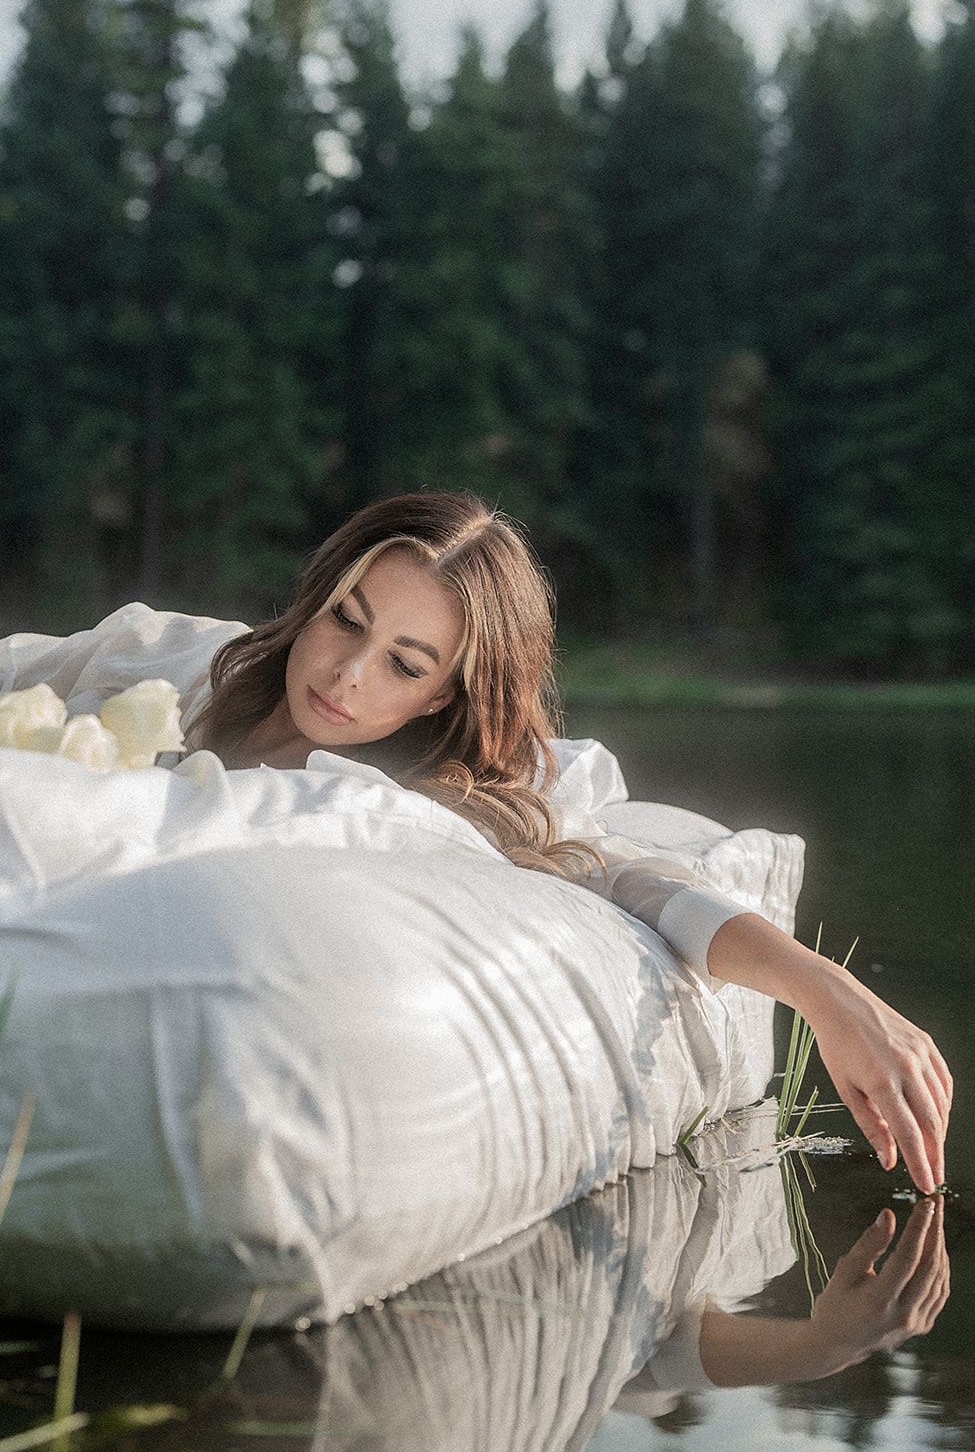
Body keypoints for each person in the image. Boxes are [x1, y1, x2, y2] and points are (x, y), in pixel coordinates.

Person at [2, 489, 952, 1195]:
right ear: (321, 593)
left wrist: (826, 992)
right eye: (346, 618)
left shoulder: (437, 802)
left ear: (446, 692)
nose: (345, 673)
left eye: (404, 664)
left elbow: (632, 877)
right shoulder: (164, 656)